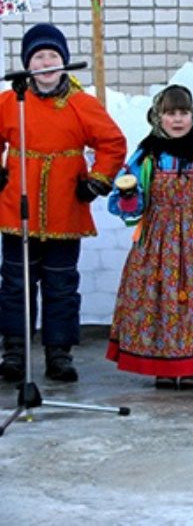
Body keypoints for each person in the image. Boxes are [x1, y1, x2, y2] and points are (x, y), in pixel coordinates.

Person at [0, 23, 126, 383]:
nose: (45, 63)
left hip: (64, 210)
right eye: (38, 56)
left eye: (52, 56)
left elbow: (112, 143)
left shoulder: (81, 103)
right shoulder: (11, 102)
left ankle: (59, 353)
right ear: (27, 63)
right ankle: (14, 351)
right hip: (16, 211)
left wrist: (97, 181)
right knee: (15, 284)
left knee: (60, 286)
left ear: (64, 62)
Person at [105, 85, 193, 389]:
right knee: (158, 298)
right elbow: (129, 196)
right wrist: (129, 199)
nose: (178, 120)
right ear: (158, 116)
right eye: (170, 113)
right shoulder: (147, 155)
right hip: (156, 238)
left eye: (184, 113)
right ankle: (160, 362)